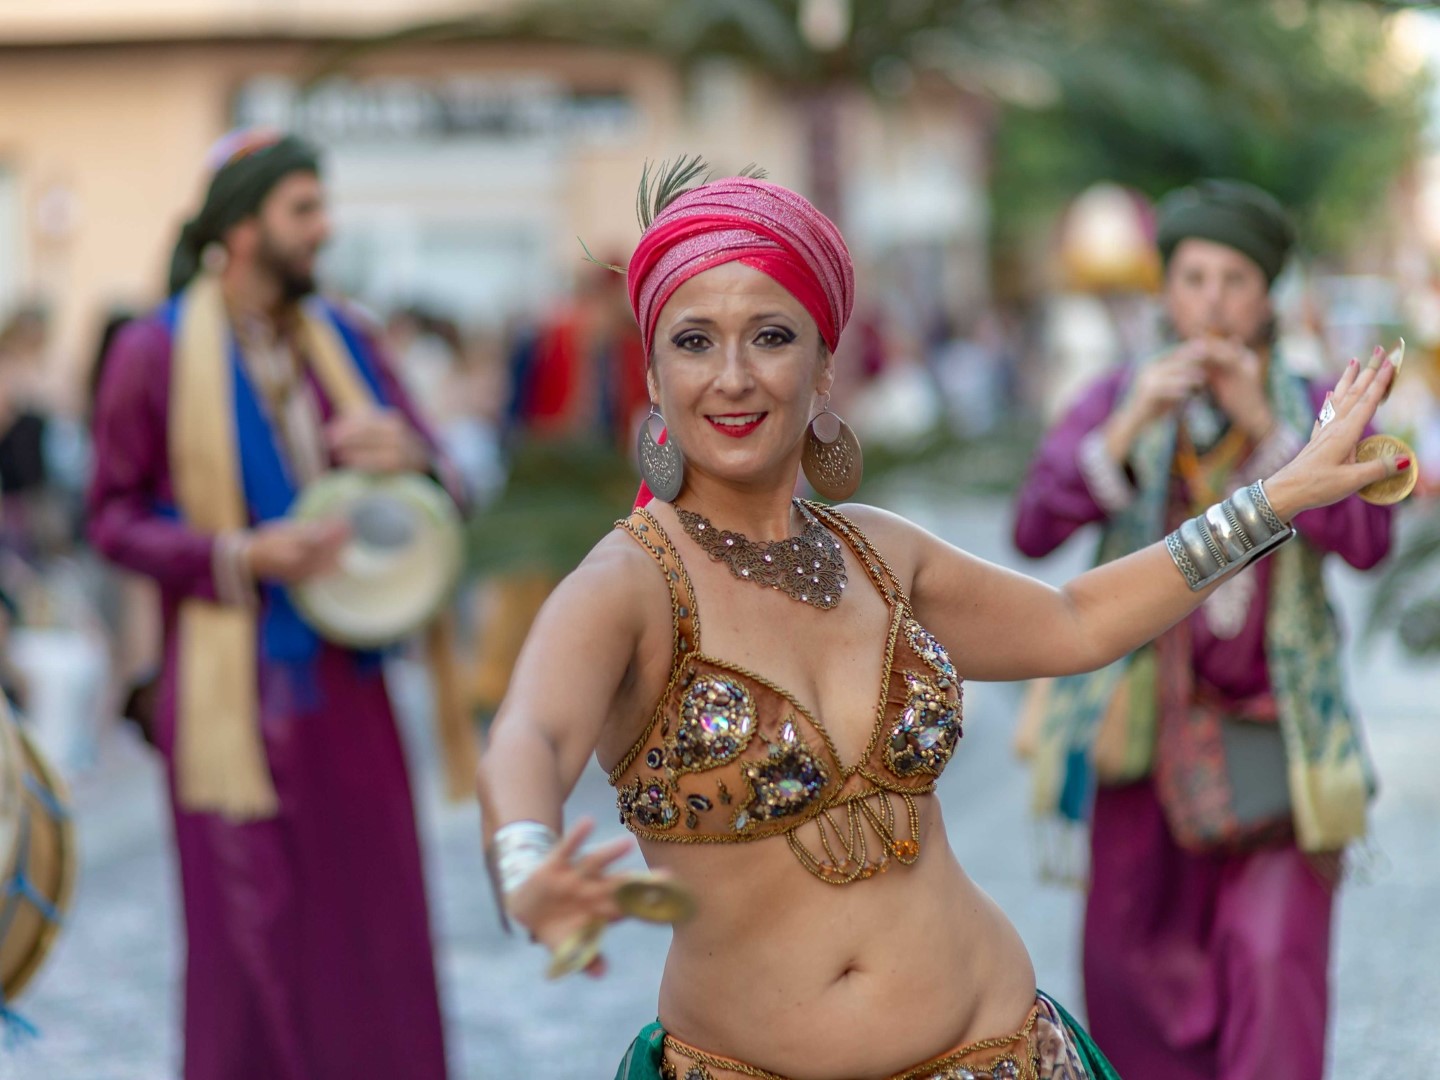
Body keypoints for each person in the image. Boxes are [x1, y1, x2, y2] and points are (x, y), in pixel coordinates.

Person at [475, 164, 1407, 1080]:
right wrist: (525, 858)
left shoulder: (879, 552)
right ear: (652, 373)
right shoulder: (632, 583)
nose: (732, 376)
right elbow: (531, 735)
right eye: (693, 341)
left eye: (770, 336)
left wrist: (1277, 496)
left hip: (1004, 1052)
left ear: (824, 367)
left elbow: (1077, 620)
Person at [86, 129, 452, 1080]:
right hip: (228, 702)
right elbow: (110, 518)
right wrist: (238, 555)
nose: (325, 228)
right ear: (243, 228)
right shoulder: (153, 351)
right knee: (250, 948)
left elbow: (447, 480)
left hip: (349, 688)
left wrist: (412, 456)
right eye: (304, 209)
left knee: (373, 938)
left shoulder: (350, 342)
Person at [1012, 179, 1394, 1080]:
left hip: (1277, 748)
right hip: (1140, 748)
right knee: (1132, 978)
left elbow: (1369, 540)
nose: (1213, 302)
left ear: (1268, 296)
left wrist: (1275, 434)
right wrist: (1127, 426)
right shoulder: (1119, 395)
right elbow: (1031, 530)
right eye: (1193, 279)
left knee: (1272, 969)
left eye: (1235, 280)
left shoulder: (1319, 405)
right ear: (1166, 293)